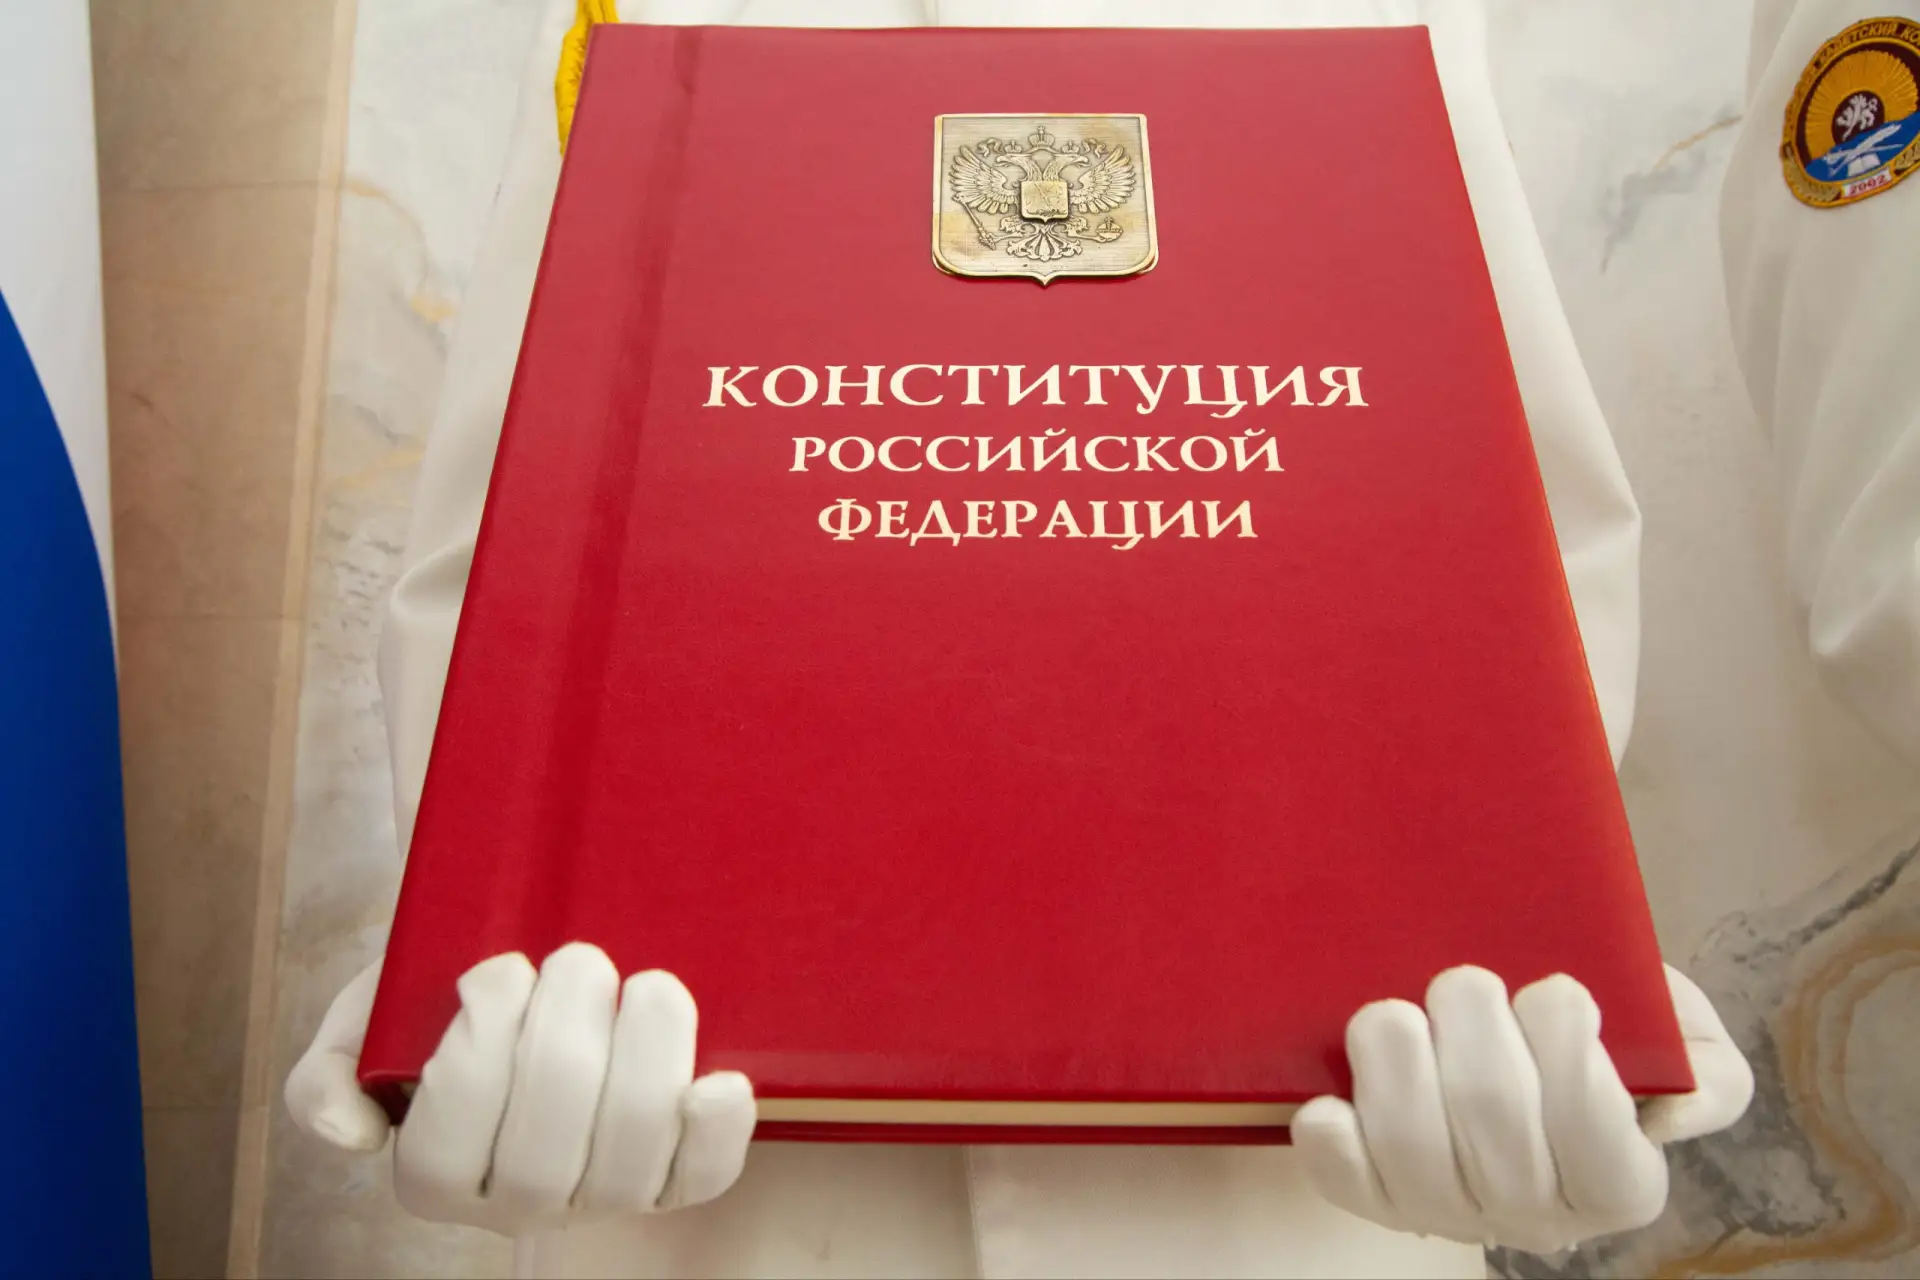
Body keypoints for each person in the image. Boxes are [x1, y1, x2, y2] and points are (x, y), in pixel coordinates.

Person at [281, 0, 1842, 1275]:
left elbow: (1499, 516)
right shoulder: (655, 28)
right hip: (710, 1193)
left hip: (1300, 1186)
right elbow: (508, 548)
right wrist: (476, 954)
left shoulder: (1358, 18)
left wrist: (1529, 936)